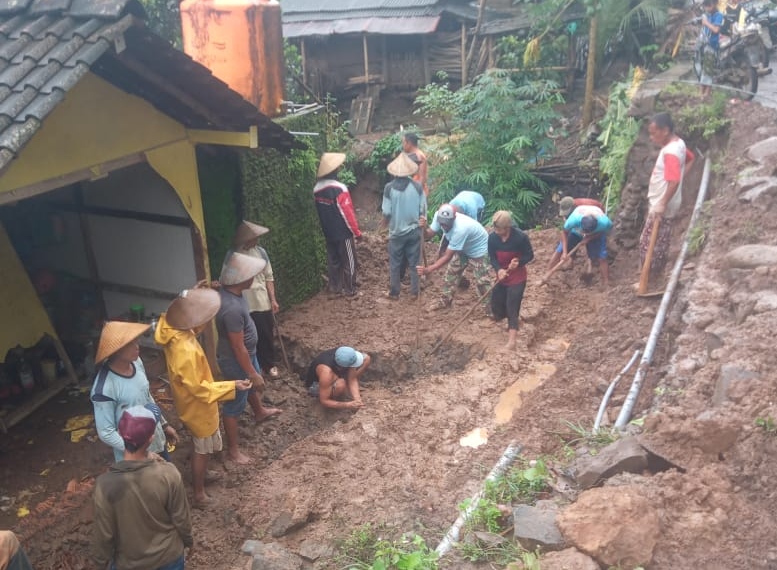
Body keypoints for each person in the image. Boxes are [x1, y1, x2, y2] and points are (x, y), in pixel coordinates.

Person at [155, 288, 253, 508]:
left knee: (202, 444)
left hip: (191, 404)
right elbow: (199, 389)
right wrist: (232, 386)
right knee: (202, 447)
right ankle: (199, 494)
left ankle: (202, 474)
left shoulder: (174, 328)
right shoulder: (185, 350)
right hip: (198, 406)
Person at [93, 405, 193, 570]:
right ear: (151, 439)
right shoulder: (168, 473)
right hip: (169, 557)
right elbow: (181, 518)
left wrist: (100, 563)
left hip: (129, 563)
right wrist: (189, 542)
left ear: (120, 433)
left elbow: (104, 535)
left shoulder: (104, 485)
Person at [217, 252, 282, 465]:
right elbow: (237, 346)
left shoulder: (234, 295)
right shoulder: (232, 309)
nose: (255, 277)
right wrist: (253, 373)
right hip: (236, 360)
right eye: (252, 274)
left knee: (252, 387)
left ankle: (259, 411)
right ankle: (233, 451)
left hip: (247, 354)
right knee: (235, 403)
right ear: (242, 279)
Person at [90, 321, 178, 463]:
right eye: (131, 344)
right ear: (117, 350)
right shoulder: (104, 388)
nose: (137, 346)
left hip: (155, 440)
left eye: (136, 341)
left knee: (165, 479)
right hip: (134, 458)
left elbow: (146, 396)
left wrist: (163, 424)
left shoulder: (136, 363)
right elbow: (106, 432)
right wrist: (139, 452)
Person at [642, 112, 695, 280]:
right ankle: (652, 276)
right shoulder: (678, 143)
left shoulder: (671, 152)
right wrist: (679, 178)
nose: (651, 137)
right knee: (658, 240)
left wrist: (662, 203)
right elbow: (691, 159)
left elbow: (673, 181)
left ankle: (650, 278)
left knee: (650, 243)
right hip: (664, 200)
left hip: (662, 204)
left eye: (653, 132)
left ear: (665, 130)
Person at [417, 204, 492, 313]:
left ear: (454, 218)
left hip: (479, 249)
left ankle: (490, 309)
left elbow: (447, 256)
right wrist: (423, 228)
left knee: (482, 281)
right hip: (463, 248)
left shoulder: (460, 229)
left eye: (447, 224)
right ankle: (445, 301)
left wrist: (428, 269)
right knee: (451, 273)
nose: (444, 226)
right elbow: (428, 235)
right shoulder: (439, 216)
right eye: (442, 223)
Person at [232, 220, 281, 378]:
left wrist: (273, 299)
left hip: (261, 301)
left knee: (266, 334)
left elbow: (269, 277)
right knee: (249, 337)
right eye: (254, 237)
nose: (256, 240)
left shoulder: (261, 253)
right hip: (244, 302)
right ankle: (255, 366)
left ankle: (269, 364)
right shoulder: (236, 256)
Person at [314, 152, 362, 297]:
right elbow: (347, 213)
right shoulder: (340, 188)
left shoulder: (316, 189)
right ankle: (350, 289)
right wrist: (356, 232)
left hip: (328, 231)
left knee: (333, 260)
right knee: (349, 260)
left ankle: (335, 287)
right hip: (343, 232)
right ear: (335, 170)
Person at [382, 153, 427, 300]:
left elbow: (387, 212)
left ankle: (395, 292)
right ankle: (415, 292)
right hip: (414, 231)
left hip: (396, 233)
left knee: (395, 263)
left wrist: (384, 225)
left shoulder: (389, 188)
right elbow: (423, 210)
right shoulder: (417, 187)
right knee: (415, 262)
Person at [488, 211, 534, 350]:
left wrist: (519, 262)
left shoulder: (520, 238)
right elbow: (492, 258)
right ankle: (509, 321)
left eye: (498, 229)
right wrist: (499, 270)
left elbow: (530, 255)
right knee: (496, 304)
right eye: (495, 228)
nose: (496, 231)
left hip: (517, 277)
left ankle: (512, 341)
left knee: (512, 307)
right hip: (502, 276)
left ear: (507, 228)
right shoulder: (493, 238)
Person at [546, 195, 605, 272]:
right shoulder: (568, 206)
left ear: (573, 207)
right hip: (577, 225)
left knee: (591, 245)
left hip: (592, 223)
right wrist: (565, 251)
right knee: (563, 245)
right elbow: (565, 229)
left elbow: (599, 221)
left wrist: (588, 236)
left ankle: (590, 265)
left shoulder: (586, 207)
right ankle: (549, 270)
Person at [560, 205, 613, 287]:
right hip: (579, 227)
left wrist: (590, 237)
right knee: (569, 244)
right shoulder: (574, 220)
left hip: (598, 232)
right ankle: (572, 262)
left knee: (602, 257)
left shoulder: (604, 223)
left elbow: (604, 231)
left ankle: (606, 282)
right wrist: (564, 252)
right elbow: (564, 232)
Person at [305, 347, 370, 410]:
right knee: (341, 385)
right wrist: (347, 405)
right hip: (316, 385)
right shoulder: (327, 373)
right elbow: (324, 401)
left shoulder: (344, 353)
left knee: (366, 359)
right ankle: (335, 403)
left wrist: (357, 399)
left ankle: (346, 387)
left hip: (336, 373)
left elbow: (352, 379)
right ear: (342, 367)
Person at [698, 0, 724, 97]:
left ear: (715, 4)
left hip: (712, 45)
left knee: (707, 69)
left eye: (709, 5)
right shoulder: (707, 15)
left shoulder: (718, 15)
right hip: (705, 44)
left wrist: (706, 23)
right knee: (706, 68)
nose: (707, 7)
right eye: (706, 5)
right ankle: (704, 92)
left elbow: (716, 30)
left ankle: (704, 93)